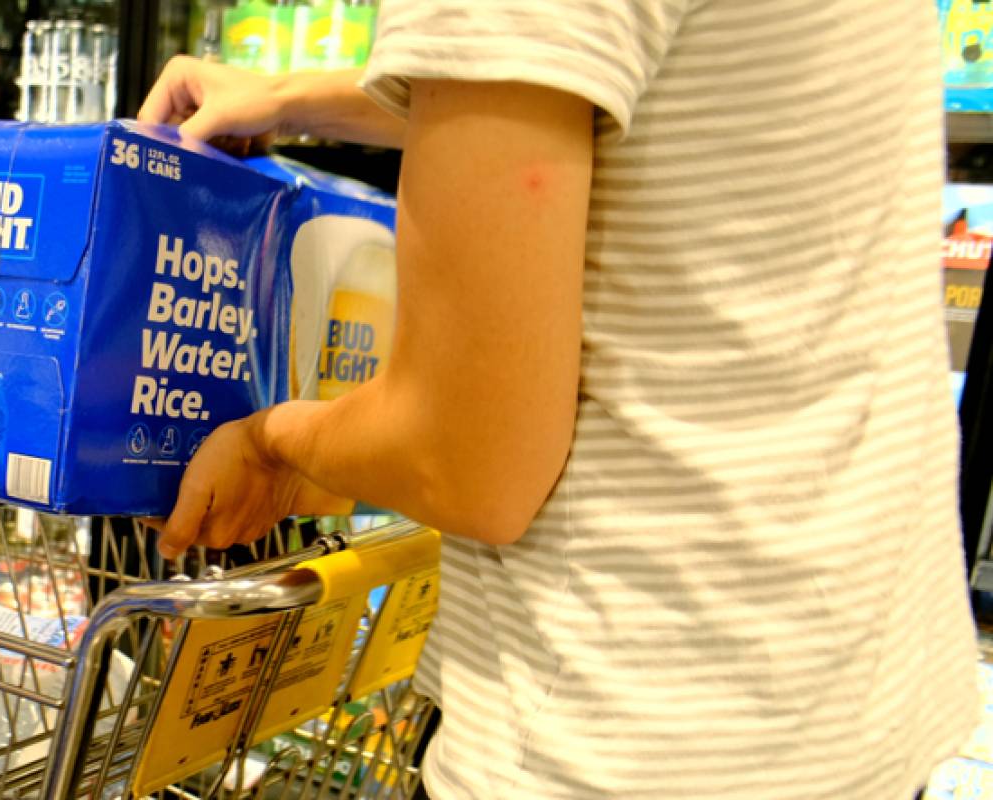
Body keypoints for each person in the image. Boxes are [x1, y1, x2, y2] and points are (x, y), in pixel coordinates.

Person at [142, 1, 981, 797]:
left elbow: (465, 461)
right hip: (855, 683)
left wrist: (272, 443)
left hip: (630, 724)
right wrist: (291, 96)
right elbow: (652, 102)